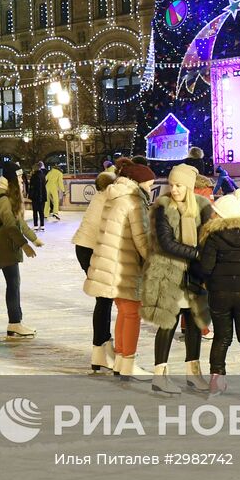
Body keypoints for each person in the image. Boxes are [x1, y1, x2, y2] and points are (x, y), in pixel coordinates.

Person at [142, 163, 214, 394]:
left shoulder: (203, 207)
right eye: (172, 185)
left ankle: (193, 374)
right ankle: (159, 376)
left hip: (194, 275)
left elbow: (209, 237)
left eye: (179, 185)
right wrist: (197, 254)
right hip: (168, 273)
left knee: (194, 323)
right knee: (168, 323)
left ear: (190, 187)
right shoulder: (163, 208)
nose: (174, 189)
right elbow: (166, 243)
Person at [85, 159, 153, 380]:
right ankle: (127, 363)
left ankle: (122, 361)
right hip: (124, 264)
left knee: (125, 312)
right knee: (132, 313)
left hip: (110, 262)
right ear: (139, 182)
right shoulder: (133, 201)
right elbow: (141, 239)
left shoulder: (115, 197)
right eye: (150, 185)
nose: (150, 189)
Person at [191, 188, 240, 397]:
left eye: (215, 212)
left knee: (222, 337)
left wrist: (194, 269)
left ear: (222, 215)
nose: (212, 214)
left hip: (219, 294)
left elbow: (205, 268)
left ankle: (216, 379)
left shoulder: (213, 237)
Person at [0, 161, 42, 339]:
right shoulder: (3, 198)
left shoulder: (7, 195)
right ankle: (15, 323)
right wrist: (25, 245)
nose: (21, 180)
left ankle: (16, 322)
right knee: (13, 284)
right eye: (18, 177)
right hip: (6, 245)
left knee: (14, 283)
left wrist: (33, 238)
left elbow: (19, 222)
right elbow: (11, 226)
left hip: (8, 243)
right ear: (12, 178)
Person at [73, 164, 118, 372]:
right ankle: (100, 349)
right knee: (104, 298)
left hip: (85, 248)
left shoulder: (99, 198)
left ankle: (102, 347)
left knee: (105, 298)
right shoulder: (107, 200)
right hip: (91, 249)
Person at [28, 161, 48, 231]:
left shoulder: (34, 176)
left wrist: (31, 195)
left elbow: (32, 187)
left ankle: (36, 225)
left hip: (36, 197)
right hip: (42, 196)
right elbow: (43, 186)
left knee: (35, 211)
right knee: (41, 211)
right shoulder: (43, 176)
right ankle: (42, 225)